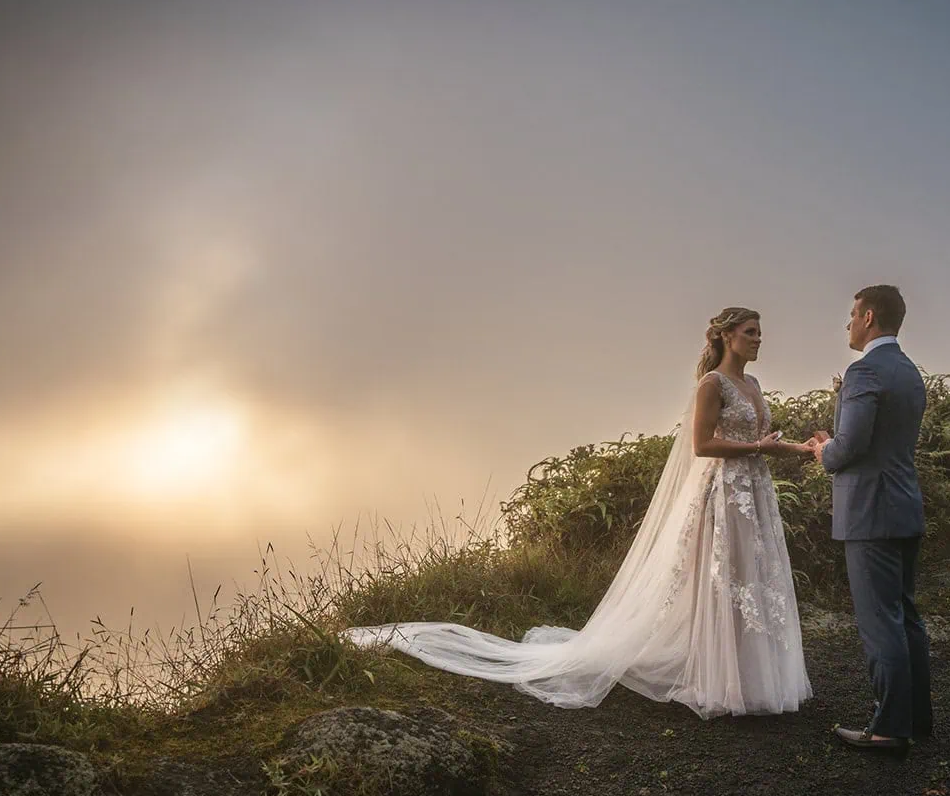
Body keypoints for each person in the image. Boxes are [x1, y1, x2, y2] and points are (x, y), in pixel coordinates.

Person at [343, 307, 816, 719]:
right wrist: (757, 446)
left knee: (752, 577)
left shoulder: (752, 384)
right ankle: (721, 681)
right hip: (720, 494)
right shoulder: (711, 384)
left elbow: (762, 445)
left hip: (753, 492)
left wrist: (800, 449)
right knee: (720, 579)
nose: (758, 340)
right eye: (751, 332)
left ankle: (752, 680)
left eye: (759, 332)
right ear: (726, 336)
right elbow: (702, 444)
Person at [811, 285, 932, 756]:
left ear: (868, 316)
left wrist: (824, 449)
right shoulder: (908, 371)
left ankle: (887, 728)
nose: (847, 324)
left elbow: (851, 447)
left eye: (851, 315)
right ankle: (915, 719)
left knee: (881, 622)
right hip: (904, 504)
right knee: (907, 618)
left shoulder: (864, 372)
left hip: (870, 513)